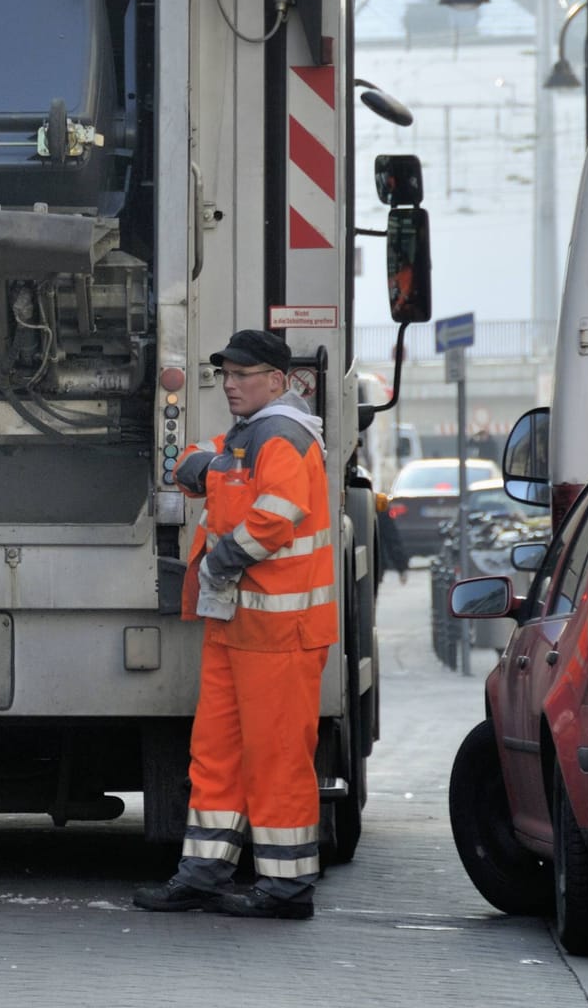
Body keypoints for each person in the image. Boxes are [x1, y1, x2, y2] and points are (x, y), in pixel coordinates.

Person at [135, 329, 334, 921]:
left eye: (242, 375)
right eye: (225, 374)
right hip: (237, 628)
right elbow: (194, 462)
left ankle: (286, 888)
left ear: (276, 380)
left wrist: (222, 560)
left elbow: (275, 516)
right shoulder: (252, 436)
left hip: (280, 635)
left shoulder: (283, 436)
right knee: (215, 755)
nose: (229, 384)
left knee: (276, 760)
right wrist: (215, 464)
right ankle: (202, 875)